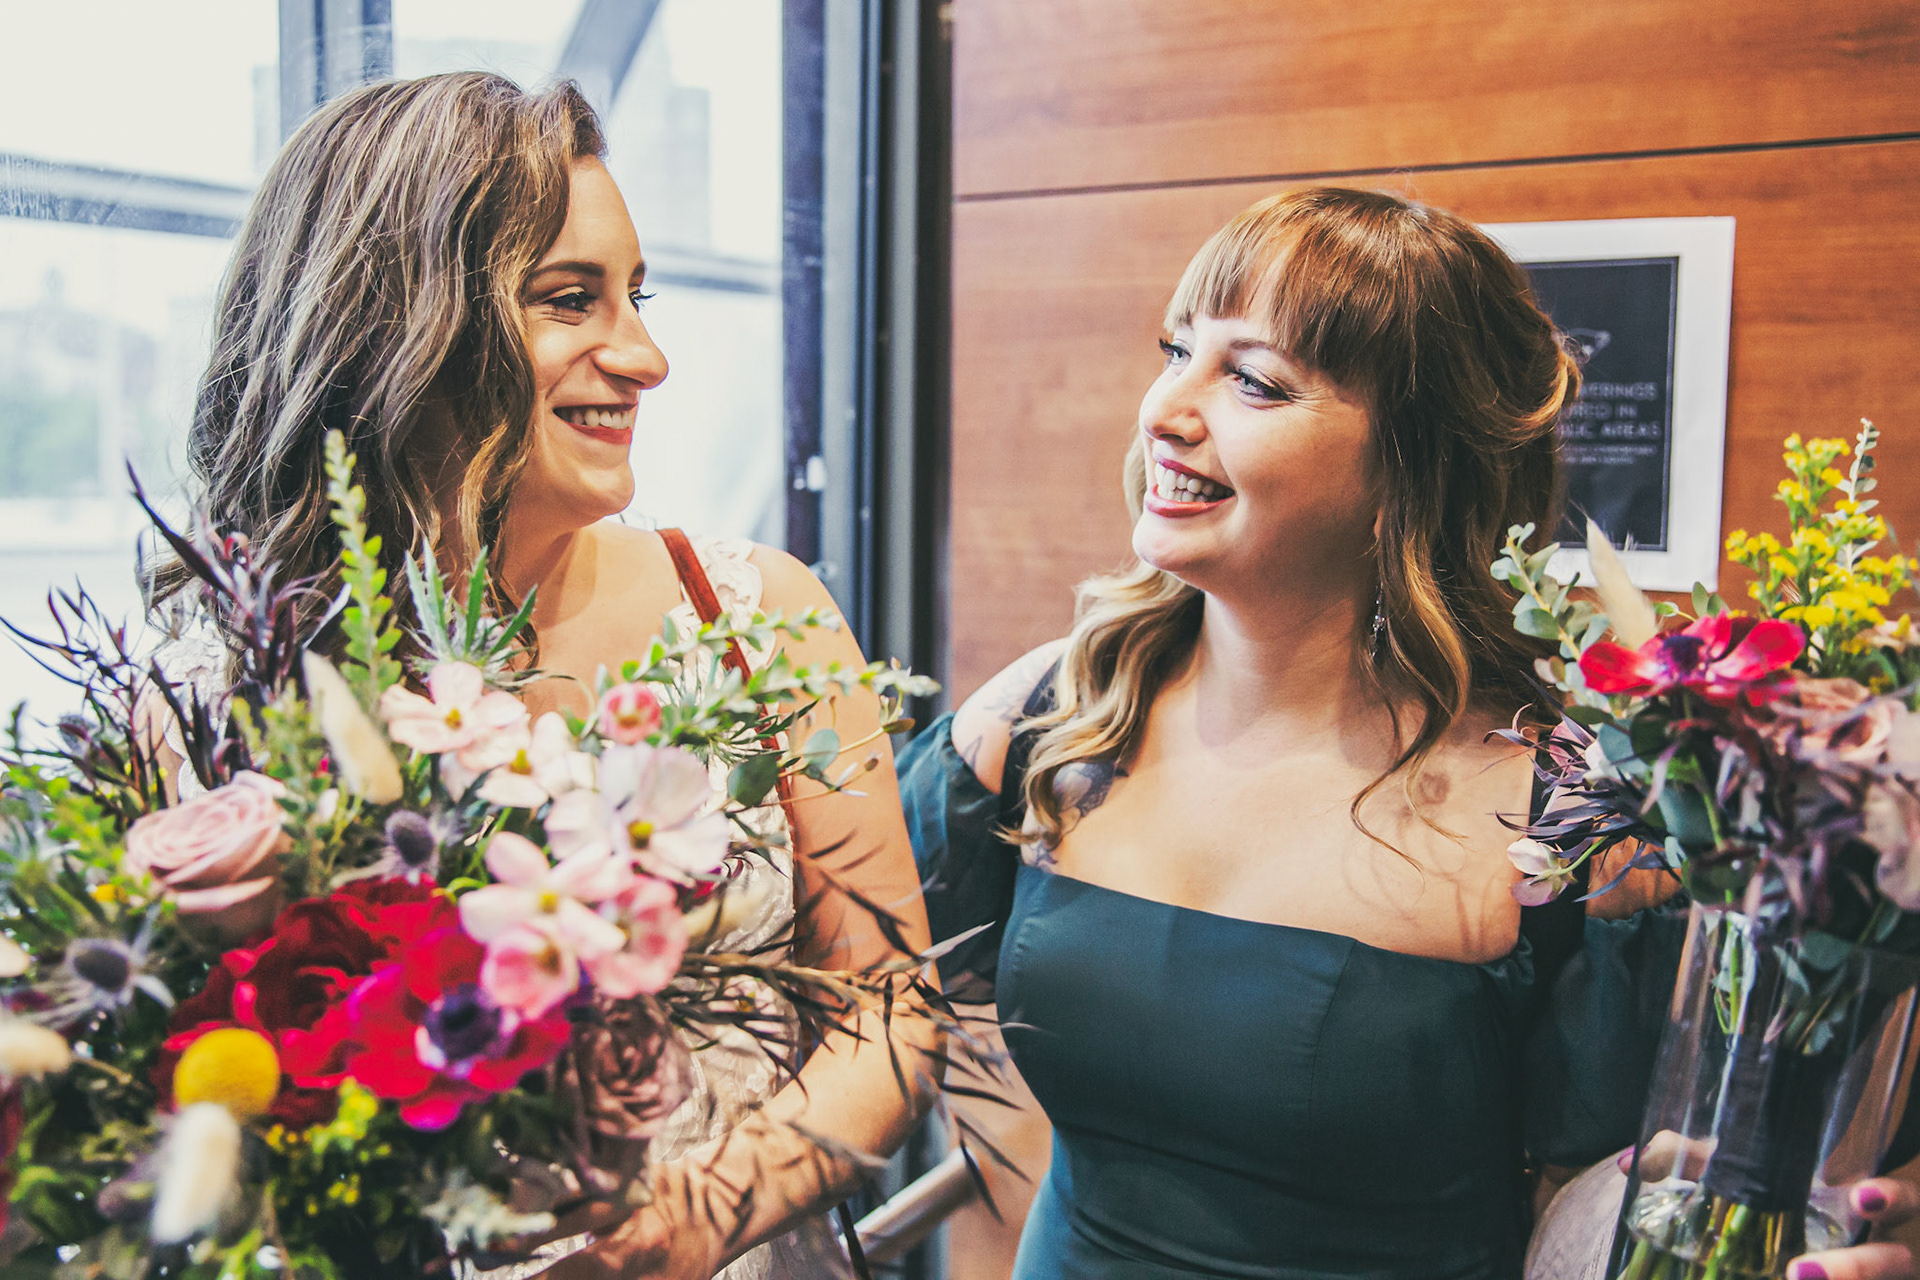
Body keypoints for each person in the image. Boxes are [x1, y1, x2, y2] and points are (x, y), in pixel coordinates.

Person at [900, 186, 1919, 1279]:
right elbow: (859, 995)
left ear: (1410, 469)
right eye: (1178, 350)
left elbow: (1700, 1178)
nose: (1165, 409)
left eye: (1254, 380)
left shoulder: (1565, 816)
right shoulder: (1050, 714)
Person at [145, 73, 935, 1280]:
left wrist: (702, 1217)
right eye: (571, 299)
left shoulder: (756, 614)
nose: (647, 356)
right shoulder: (210, 691)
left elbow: (889, 1005)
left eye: (636, 297)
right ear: (399, 322)